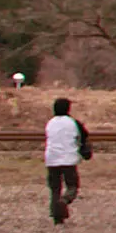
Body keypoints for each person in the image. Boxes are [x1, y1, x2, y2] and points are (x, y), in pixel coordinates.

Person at [45, 96, 88, 225]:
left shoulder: (50, 123)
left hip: (51, 159)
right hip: (68, 159)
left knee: (55, 188)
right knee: (72, 186)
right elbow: (83, 137)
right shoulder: (73, 122)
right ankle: (64, 201)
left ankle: (57, 217)